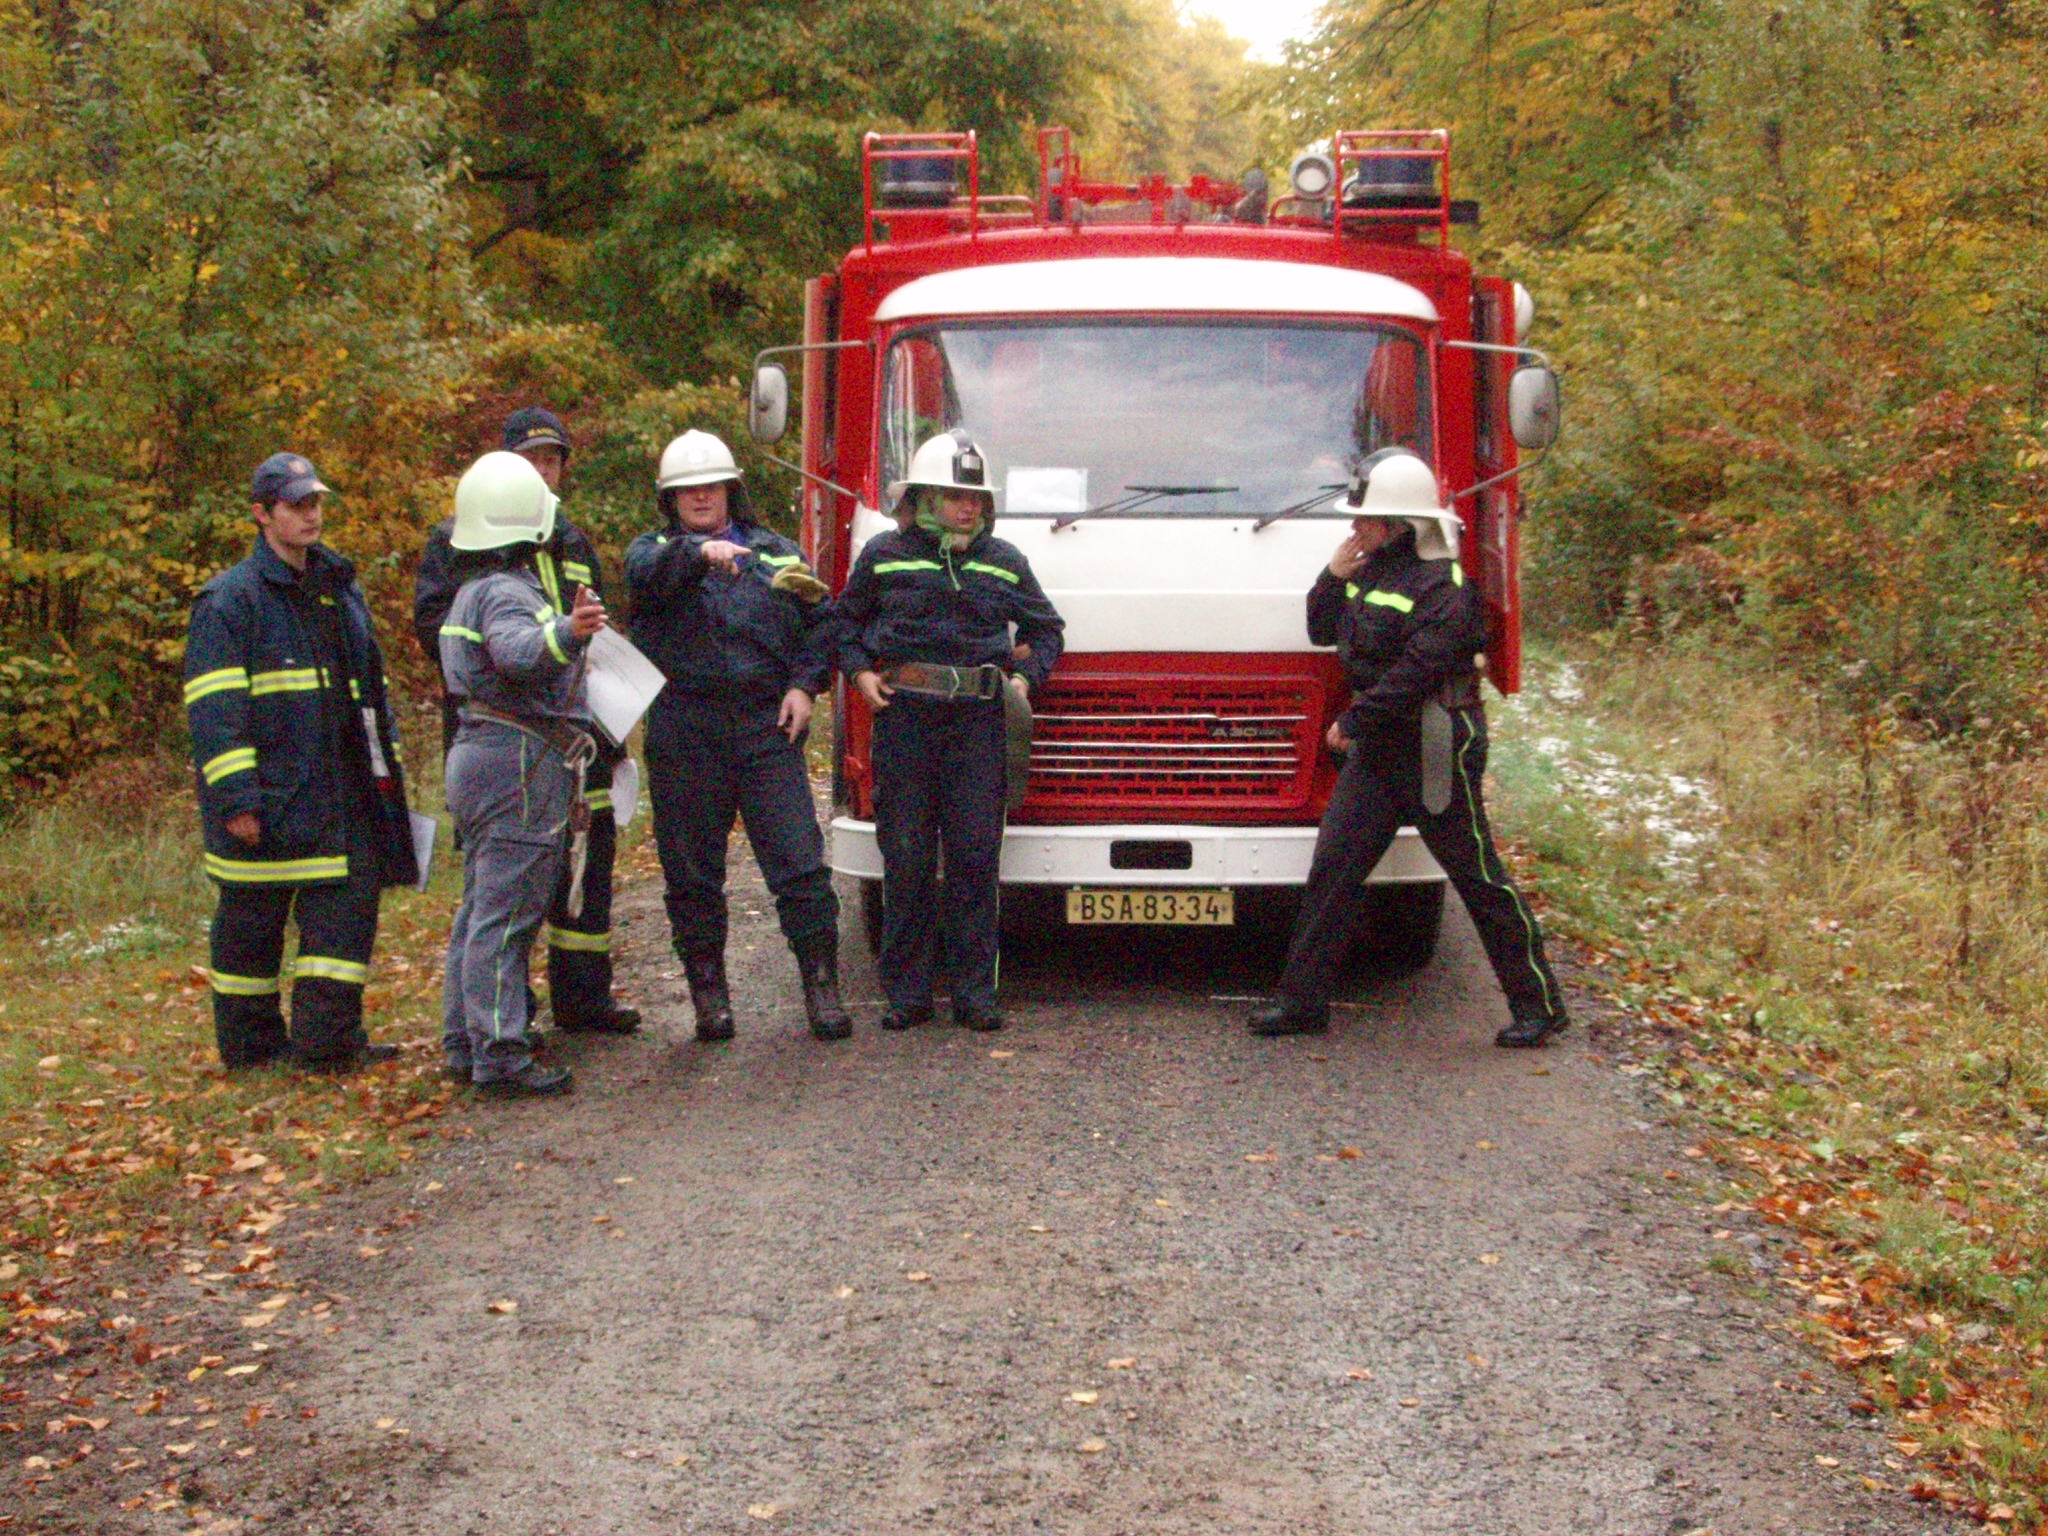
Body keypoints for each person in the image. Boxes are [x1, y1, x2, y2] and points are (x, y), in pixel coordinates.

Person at [1248, 447, 1569, 1046]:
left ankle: (1538, 1004)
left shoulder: (1446, 589)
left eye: (1365, 519)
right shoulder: (1368, 573)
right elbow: (1321, 629)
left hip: (1434, 745)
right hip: (1380, 749)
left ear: (1401, 525)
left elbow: (1417, 671)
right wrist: (1333, 576)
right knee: (1334, 870)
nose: (1354, 526)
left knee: (1476, 876)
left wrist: (1355, 721)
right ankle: (1302, 1004)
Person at [184, 452, 419, 1071]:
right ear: (262, 515)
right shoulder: (229, 601)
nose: (311, 514)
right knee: (249, 932)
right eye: (296, 504)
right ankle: (253, 1052)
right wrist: (237, 798)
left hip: (341, 796)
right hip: (269, 800)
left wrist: (386, 782)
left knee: (343, 927)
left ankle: (327, 1046)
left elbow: (369, 694)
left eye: (315, 502)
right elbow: (215, 710)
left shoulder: (338, 590)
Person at [414, 406, 641, 1038]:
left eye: (553, 459)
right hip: (510, 742)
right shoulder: (465, 552)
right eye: (531, 460)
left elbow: (591, 631)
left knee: (576, 872)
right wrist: (560, 636)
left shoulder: (570, 542)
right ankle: (501, 1035)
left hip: (573, 737)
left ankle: (574, 1004)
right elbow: (491, 646)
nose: (545, 470)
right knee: (506, 900)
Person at [835, 429, 1064, 1032]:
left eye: (978, 499)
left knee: (973, 859)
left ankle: (973, 995)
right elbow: (843, 626)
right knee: (906, 858)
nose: (970, 507)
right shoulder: (884, 554)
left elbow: (1048, 629)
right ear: (926, 498)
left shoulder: (1005, 562)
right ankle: (907, 996)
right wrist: (860, 674)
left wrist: (1025, 681)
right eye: (957, 496)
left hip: (979, 729)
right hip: (905, 722)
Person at [624, 430, 850, 1042]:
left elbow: (823, 620)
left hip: (764, 726)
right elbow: (645, 580)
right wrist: (698, 555)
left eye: (711, 486)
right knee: (692, 876)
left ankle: (822, 990)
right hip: (685, 727)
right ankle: (710, 999)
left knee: (801, 867)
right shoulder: (653, 554)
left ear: (730, 489)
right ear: (669, 499)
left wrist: (806, 684)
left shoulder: (774, 552)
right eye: (687, 490)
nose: (700, 497)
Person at [437, 451, 611, 1096]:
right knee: (507, 917)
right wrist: (568, 632)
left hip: (482, 753)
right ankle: (501, 1055)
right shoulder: (509, 592)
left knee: (480, 909)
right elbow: (517, 654)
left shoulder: (469, 591)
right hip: (517, 761)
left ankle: (465, 1041)